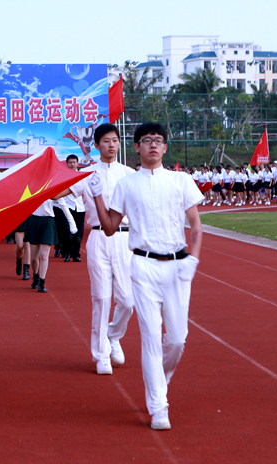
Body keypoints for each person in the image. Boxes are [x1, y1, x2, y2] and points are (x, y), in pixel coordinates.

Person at [90, 122, 203, 431]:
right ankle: (158, 406)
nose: (153, 145)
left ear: (165, 147)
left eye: (158, 140)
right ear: (137, 147)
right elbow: (111, 227)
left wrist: (193, 257)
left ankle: (159, 382)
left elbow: (195, 225)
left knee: (177, 340)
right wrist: (98, 197)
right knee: (152, 337)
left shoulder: (181, 181)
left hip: (178, 268)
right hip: (142, 264)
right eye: (146, 141)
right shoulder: (127, 184)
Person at [53, 123, 135, 375]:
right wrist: (40, 187)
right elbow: (58, 194)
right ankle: (101, 355)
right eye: (106, 141)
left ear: (119, 143)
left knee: (128, 301)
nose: (111, 145)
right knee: (101, 298)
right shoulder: (88, 174)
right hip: (98, 239)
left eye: (115, 140)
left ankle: (113, 335)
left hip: (125, 240)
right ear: (97, 145)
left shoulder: (130, 174)